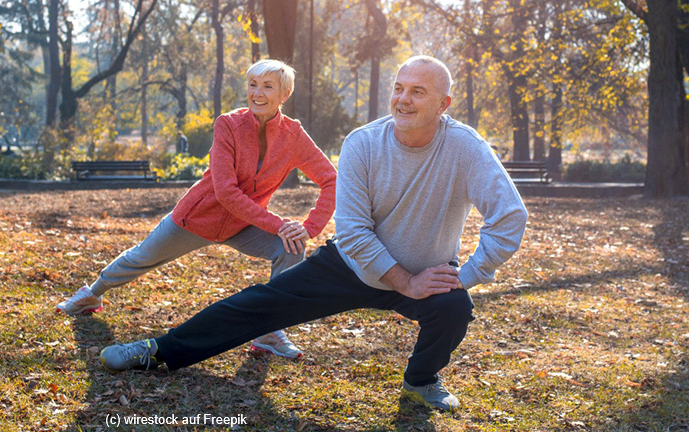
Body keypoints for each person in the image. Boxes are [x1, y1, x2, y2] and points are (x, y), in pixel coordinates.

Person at [98, 55, 528, 412]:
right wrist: (404, 281)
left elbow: (509, 217)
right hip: (352, 265)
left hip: (426, 270)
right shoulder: (364, 143)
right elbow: (355, 232)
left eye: (418, 91)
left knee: (454, 309)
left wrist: (464, 275)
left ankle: (421, 379)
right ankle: (159, 350)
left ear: (443, 103)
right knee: (257, 305)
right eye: (399, 87)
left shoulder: (465, 147)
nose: (403, 98)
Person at [56, 59, 337, 359]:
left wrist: (308, 227)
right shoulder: (228, 125)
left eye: (268, 86)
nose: (257, 92)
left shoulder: (293, 136)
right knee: (141, 257)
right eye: (253, 84)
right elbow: (226, 193)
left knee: (291, 246)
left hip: (243, 225)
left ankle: (268, 329)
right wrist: (278, 223)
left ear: (285, 94)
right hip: (198, 218)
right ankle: (92, 293)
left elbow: (331, 180)